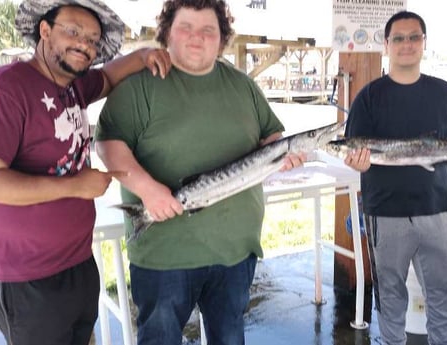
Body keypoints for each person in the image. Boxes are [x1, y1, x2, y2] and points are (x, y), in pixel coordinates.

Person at [0, 0, 172, 344]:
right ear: (44, 30)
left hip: (77, 261)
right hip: (24, 274)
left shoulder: (72, 87)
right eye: (73, 31)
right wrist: (74, 186)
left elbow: (111, 75)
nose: (84, 44)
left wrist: (145, 55)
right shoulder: (1, 89)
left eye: (92, 39)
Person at [95, 0, 304, 344]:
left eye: (209, 30)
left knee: (230, 336)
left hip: (235, 249)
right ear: (166, 34)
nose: (197, 38)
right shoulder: (138, 86)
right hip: (165, 253)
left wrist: (284, 153)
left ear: (222, 39)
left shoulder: (243, 85)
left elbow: (271, 136)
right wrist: (146, 189)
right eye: (186, 28)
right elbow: (109, 144)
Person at [342, 11, 447, 345]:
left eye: (414, 37)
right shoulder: (368, 97)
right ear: (386, 45)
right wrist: (358, 164)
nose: (407, 44)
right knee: (389, 295)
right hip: (384, 214)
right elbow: (354, 154)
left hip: (436, 210)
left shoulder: (444, 93)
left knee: (445, 293)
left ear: (424, 43)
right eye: (399, 38)